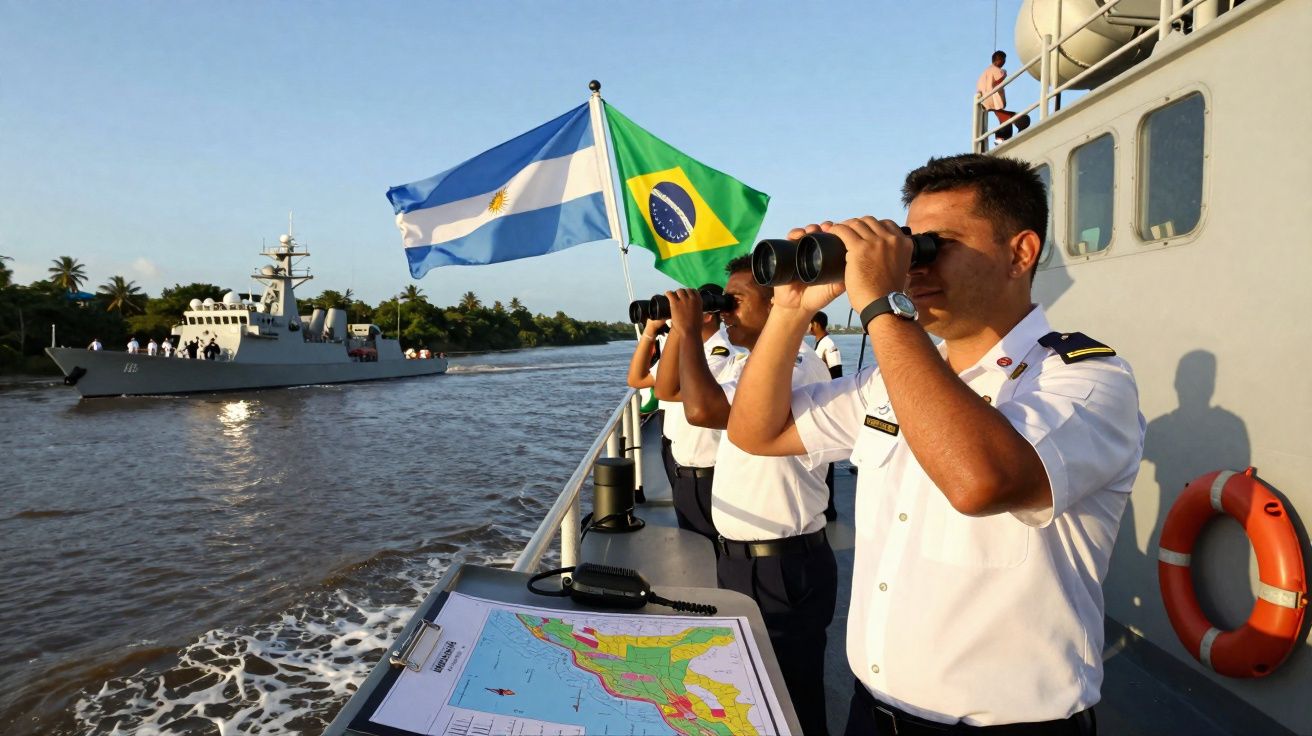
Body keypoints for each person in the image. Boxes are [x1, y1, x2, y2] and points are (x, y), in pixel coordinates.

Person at [727, 154, 1145, 734]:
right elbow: (758, 432)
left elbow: (978, 482)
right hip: (873, 712)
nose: (912, 265)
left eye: (935, 245)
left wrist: (879, 302)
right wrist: (789, 311)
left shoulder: (1088, 380)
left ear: (1020, 253)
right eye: (907, 244)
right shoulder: (892, 378)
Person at [659, 258, 835, 736]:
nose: (727, 311)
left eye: (735, 301)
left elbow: (700, 410)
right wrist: (683, 331)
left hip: (782, 565)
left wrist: (691, 330)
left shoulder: (798, 364)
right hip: (746, 559)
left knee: (791, 697)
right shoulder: (748, 364)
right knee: (758, 690)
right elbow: (669, 388)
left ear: (779, 303)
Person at [627, 284, 742, 542]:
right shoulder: (687, 351)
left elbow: (667, 391)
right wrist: (650, 330)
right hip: (679, 457)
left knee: (707, 542)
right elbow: (637, 378)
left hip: (705, 468)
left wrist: (679, 327)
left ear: (708, 313)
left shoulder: (719, 354)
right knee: (693, 540)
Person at [977, 51, 1029, 142]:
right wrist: (1004, 72)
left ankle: (1000, 138)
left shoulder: (984, 73)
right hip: (992, 99)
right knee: (1007, 117)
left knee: (1002, 117)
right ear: (998, 60)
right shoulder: (995, 69)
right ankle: (1012, 129)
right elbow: (1000, 77)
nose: (1004, 62)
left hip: (984, 100)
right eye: (1003, 60)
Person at [811, 310, 842, 379]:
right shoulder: (818, 343)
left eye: (809, 323)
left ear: (815, 324)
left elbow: (837, 374)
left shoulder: (829, 344)